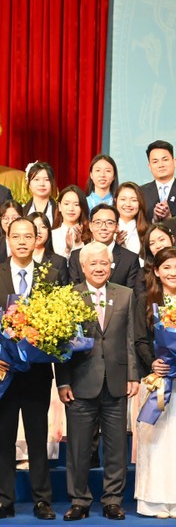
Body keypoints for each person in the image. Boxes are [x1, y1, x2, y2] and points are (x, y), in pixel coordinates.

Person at [56, 241, 139, 521]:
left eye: (104, 262)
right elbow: (61, 346)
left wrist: (132, 376)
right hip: (80, 383)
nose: (100, 268)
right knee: (79, 448)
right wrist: (62, 382)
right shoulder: (69, 296)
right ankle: (79, 500)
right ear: (82, 267)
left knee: (116, 447)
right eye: (93, 263)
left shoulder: (126, 295)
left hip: (116, 382)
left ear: (111, 265)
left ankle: (112, 500)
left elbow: (130, 339)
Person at [133, 247, 176, 518]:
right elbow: (139, 338)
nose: (173, 273)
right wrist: (153, 362)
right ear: (157, 272)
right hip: (156, 381)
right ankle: (155, 500)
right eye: (167, 268)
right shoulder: (144, 300)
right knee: (156, 439)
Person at [0, 218, 61, 520]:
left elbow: (60, 325)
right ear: (7, 238)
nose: (22, 241)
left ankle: (42, 499)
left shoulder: (50, 276)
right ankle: (3, 499)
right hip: (3, 371)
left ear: (38, 239)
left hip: (37, 371)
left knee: (39, 436)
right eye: (16, 236)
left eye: (28, 236)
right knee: (3, 436)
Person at [68, 204, 141, 292]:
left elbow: (131, 296)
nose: (103, 227)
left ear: (116, 227)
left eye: (109, 223)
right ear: (91, 226)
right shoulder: (76, 256)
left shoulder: (130, 259)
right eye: (98, 222)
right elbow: (73, 291)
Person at [139, 140, 176, 223]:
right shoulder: (140, 192)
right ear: (149, 166)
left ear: (174, 162)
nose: (161, 165)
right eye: (155, 161)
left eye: (165, 160)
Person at [51, 185, 92, 259]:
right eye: (66, 204)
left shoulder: (91, 234)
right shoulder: (52, 235)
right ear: (60, 206)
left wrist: (78, 244)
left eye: (76, 205)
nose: (71, 208)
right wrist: (67, 250)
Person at [28, 212, 69, 285]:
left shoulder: (59, 262)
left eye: (43, 227)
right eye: (34, 227)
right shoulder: (18, 259)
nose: (38, 231)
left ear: (48, 232)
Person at [113, 182, 148, 260]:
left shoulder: (147, 230)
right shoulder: (107, 228)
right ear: (115, 201)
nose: (128, 204)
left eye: (134, 200)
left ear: (140, 203)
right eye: (123, 199)